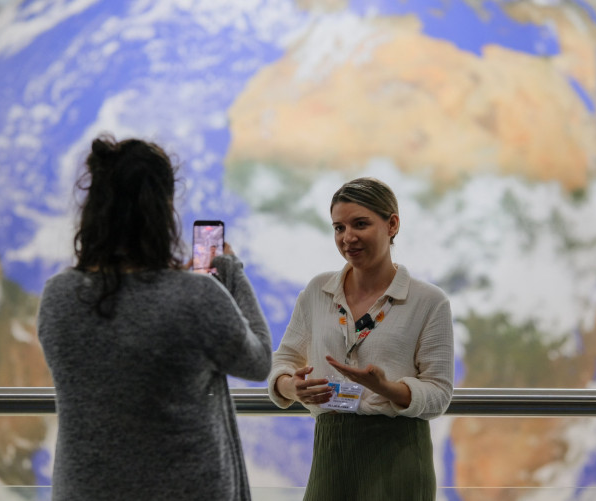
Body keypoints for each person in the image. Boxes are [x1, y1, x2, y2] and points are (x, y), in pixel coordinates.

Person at [37, 135, 272, 501]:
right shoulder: (195, 297)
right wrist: (231, 270)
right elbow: (258, 362)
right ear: (162, 211)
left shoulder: (58, 297)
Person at [267, 177, 454, 500]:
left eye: (360, 224)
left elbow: (439, 393)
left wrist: (387, 388)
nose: (347, 238)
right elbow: (283, 362)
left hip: (399, 453)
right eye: (338, 228)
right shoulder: (318, 291)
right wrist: (291, 387)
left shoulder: (428, 301)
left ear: (392, 224)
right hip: (331, 450)